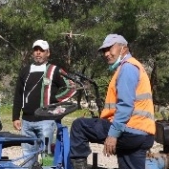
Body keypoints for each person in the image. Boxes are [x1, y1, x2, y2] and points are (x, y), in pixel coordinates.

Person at [68, 34, 155, 169]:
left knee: (79, 126)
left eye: (109, 49)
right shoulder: (136, 66)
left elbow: (125, 106)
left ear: (124, 49)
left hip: (129, 130)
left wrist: (113, 135)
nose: (106, 54)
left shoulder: (127, 68)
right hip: (144, 134)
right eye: (104, 51)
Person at [12, 39, 77, 168]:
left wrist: (54, 100)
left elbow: (72, 87)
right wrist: (15, 117)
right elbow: (18, 94)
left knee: (47, 156)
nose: (38, 53)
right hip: (26, 122)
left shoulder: (54, 70)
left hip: (46, 121)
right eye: (35, 50)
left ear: (48, 53)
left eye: (41, 50)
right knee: (27, 157)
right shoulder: (25, 71)